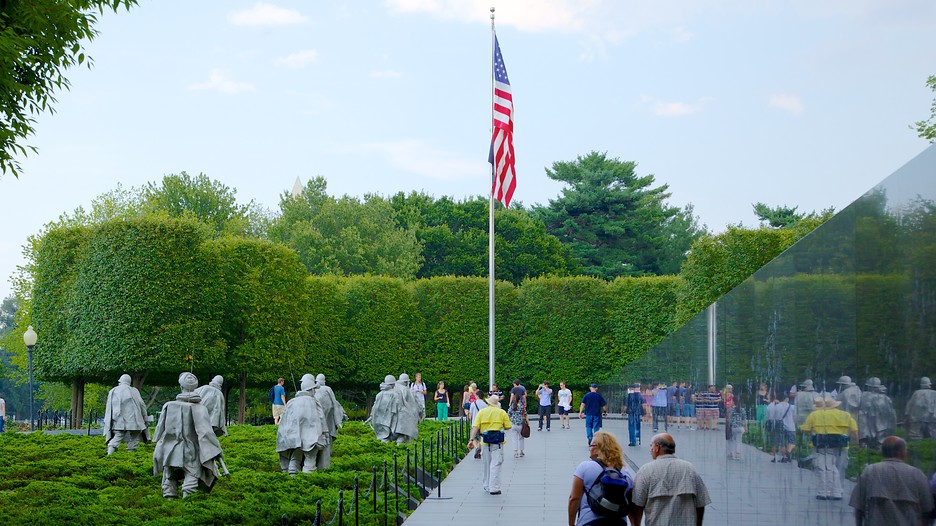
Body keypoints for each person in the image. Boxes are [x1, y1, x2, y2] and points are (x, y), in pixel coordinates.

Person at [152, 372, 226, 498]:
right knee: (192, 477)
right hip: (191, 452)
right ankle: (188, 505)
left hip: (170, 450)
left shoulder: (168, 406)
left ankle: (170, 503)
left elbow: (159, 432)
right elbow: (206, 434)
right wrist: (216, 451)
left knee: (169, 477)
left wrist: (160, 447)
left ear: (181, 386)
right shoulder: (200, 409)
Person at [850, 436, 934, 525]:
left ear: (883, 452)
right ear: (902, 452)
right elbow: (927, 509)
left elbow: (859, 507)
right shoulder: (917, 474)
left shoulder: (870, 471)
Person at [632, 433, 711, 526]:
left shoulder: (646, 471)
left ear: (657, 448)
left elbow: (637, 505)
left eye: (651, 446)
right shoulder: (689, 469)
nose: (650, 449)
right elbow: (701, 502)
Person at [567, 430, 639, 526]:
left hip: (590, 521)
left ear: (599, 448)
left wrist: (571, 524)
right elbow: (631, 504)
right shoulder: (625, 473)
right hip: (619, 521)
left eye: (592, 445)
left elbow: (574, 498)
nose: (590, 448)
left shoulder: (585, 467)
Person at [799, 395, 859, 500]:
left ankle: (824, 491)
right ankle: (838, 491)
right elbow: (854, 431)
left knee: (823, 468)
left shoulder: (814, 415)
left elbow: (805, 429)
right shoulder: (846, 415)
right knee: (839, 468)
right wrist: (857, 444)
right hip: (841, 446)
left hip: (822, 445)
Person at [276, 374, 328, 474]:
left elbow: (284, 421)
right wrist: (325, 434)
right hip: (313, 438)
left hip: (294, 439)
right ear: (311, 389)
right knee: (310, 460)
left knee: (295, 459)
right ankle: (306, 481)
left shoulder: (292, 402)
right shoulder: (314, 402)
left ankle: (292, 480)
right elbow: (321, 418)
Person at [466, 394, 512, 495]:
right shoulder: (502, 412)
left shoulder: (482, 412)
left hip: (485, 441)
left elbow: (475, 427)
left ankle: (486, 485)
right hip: (498, 442)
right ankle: (494, 487)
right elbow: (508, 426)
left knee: (486, 464)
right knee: (496, 464)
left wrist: (471, 439)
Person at [103, 374, 150, 455]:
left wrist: (109, 421)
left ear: (120, 381)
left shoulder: (113, 391)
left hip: (118, 420)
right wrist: (145, 417)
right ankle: (130, 455)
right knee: (134, 437)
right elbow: (142, 404)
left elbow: (109, 408)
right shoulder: (134, 391)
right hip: (134, 421)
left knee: (117, 436)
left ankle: (109, 455)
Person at [314, 373, 346, 469]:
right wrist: (341, 415)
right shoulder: (328, 390)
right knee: (326, 450)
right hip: (328, 427)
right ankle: (324, 471)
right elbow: (335, 403)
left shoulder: (313, 391)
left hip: (314, 429)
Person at [766, 391, 795, 463]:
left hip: (781, 427)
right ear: (786, 399)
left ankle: (782, 457)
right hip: (791, 427)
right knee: (792, 442)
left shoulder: (777, 406)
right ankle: (788, 451)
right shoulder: (792, 407)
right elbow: (794, 417)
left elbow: (775, 417)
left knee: (782, 443)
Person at [468, 391, 489, 459]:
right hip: (482, 424)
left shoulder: (473, 404)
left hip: (475, 423)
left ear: (477, 396)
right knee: (481, 438)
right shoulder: (485, 405)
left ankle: (476, 447)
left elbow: (470, 415)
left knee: (473, 437)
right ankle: (479, 448)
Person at [507, 393, 527, 458]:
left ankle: (515, 452)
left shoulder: (512, 406)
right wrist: (528, 423)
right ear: (520, 400)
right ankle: (521, 451)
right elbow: (525, 414)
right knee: (521, 438)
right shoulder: (522, 406)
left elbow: (508, 414)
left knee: (514, 439)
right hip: (521, 424)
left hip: (513, 424)